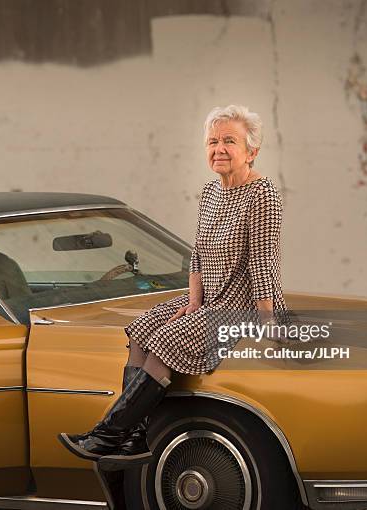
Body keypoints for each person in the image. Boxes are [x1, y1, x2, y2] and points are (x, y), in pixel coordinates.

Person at [59, 105, 289, 468]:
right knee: (143, 328)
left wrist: (266, 323)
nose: (219, 149)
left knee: (166, 342)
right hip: (209, 298)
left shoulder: (263, 195)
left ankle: (107, 434)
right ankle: (134, 439)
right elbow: (197, 253)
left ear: (252, 151)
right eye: (213, 141)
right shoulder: (211, 191)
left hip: (241, 305)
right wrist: (193, 302)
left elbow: (262, 264)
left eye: (230, 141)